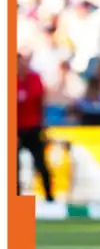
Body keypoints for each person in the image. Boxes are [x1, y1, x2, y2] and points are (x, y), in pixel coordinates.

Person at [17, 54, 54, 202]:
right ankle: (15, 201)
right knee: (13, 168)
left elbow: (41, 103)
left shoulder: (34, 79)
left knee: (41, 165)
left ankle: (50, 198)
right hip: (16, 130)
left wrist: (43, 125)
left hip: (33, 128)